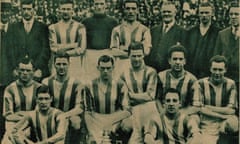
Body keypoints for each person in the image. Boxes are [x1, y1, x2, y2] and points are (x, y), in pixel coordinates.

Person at [83, 55, 130, 143]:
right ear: (98, 68)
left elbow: (127, 111)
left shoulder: (120, 85)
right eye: (102, 68)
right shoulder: (89, 85)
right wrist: (91, 133)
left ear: (113, 68)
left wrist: (112, 123)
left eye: (108, 68)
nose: (105, 71)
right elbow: (88, 112)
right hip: (96, 118)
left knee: (127, 125)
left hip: (114, 118)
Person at [192, 55, 238, 144]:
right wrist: (222, 115)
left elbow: (231, 110)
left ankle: (224, 137)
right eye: (215, 69)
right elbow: (199, 109)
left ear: (225, 70)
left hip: (224, 120)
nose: (217, 72)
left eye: (220, 70)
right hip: (208, 121)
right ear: (210, 69)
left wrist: (209, 107)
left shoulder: (231, 84)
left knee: (234, 123)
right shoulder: (200, 83)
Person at [42, 55, 85, 144]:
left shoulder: (76, 83)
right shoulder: (46, 82)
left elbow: (79, 108)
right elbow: (42, 102)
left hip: (69, 115)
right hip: (51, 115)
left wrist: (64, 115)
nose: (61, 67)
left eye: (64, 64)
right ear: (54, 65)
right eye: (58, 64)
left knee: (76, 122)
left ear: (69, 64)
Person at [7, 0, 50, 81]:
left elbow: (46, 50)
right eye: (24, 9)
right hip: (18, 70)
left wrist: (37, 67)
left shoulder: (42, 27)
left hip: (37, 70)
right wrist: (15, 67)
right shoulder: (13, 27)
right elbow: (10, 49)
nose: (26, 12)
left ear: (34, 9)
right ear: (21, 10)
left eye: (29, 9)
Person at [2, 56, 41, 143]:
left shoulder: (40, 88)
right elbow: (8, 115)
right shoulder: (10, 89)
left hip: (34, 125)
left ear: (34, 72)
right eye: (22, 70)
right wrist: (29, 115)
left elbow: (40, 114)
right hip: (14, 123)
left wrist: (20, 114)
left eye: (28, 70)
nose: (25, 73)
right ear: (17, 71)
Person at [49, 0, 86, 81]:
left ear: (73, 10)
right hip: (58, 62)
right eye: (63, 9)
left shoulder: (80, 27)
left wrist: (64, 52)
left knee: (75, 85)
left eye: (68, 9)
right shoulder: (53, 27)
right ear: (59, 10)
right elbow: (53, 47)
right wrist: (73, 45)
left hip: (75, 63)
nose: (66, 11)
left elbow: (82, 49)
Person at [82, 0, 118, 80]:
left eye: (101, 4)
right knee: (90, 79)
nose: (99, 7)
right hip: (90, 55)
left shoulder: (113, 22)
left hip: (108, 53)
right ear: (93, 5)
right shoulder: (85, 22)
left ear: (106, 5)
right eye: (96, 4)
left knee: (108, 79)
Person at [146, 1, 186, 72]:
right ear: (161, 13)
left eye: (169, 12)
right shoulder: (153, 30)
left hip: (170, 72)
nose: (166, 14)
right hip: (153, 70)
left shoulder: (182, 32)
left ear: (175, 13)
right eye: (164, 12)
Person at [186, 2, 220, 78]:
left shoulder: (218, 33)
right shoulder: (190, 32)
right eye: (202, 13)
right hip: (191, 73)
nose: (204, 15)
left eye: (207, 13)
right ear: (198, 14)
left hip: (210, 74)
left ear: (212, 13)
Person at [158, 43, 197, 109]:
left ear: (184, 61)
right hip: (164, 113)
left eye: (180, 59)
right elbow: (157, 99)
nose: (178, 62)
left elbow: (194, 104)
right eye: (175, 59)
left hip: (183, 113)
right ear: (169, 61)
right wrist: (162, 113)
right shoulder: (161, 76)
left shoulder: (191, 80)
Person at [214, 1, 239, 87]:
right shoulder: (222, 34)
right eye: (231, 14)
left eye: (236, 14)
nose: (233, 17)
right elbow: (216, 56)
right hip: (226, 78)